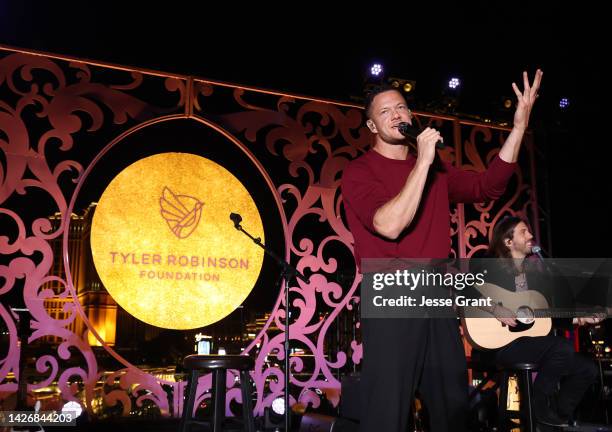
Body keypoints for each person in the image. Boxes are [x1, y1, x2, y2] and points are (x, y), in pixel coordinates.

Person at [341, 69, 543, 432]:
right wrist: (422, 161)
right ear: (371, 127)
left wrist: (518, 127)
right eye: (385, 112)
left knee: (452, 404)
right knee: (388, 408)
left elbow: (488, 185)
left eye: (401, 107)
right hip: (391, 291)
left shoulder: (436, 169)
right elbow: (389, 225)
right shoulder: (359, 172)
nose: (397, 115)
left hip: (435, 290)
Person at [475, 216, 600, 427]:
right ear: (508, 241)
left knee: (587, 369)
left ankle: (556, 417)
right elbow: (465, 292)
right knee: (562, 347)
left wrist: (580, 318)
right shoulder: (486, 267)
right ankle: (538, 404)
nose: (531, 236)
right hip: (498, 345)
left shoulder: (535, 278)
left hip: (529, 344)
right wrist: (495, 308)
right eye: (524, 232)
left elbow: (545, 318)